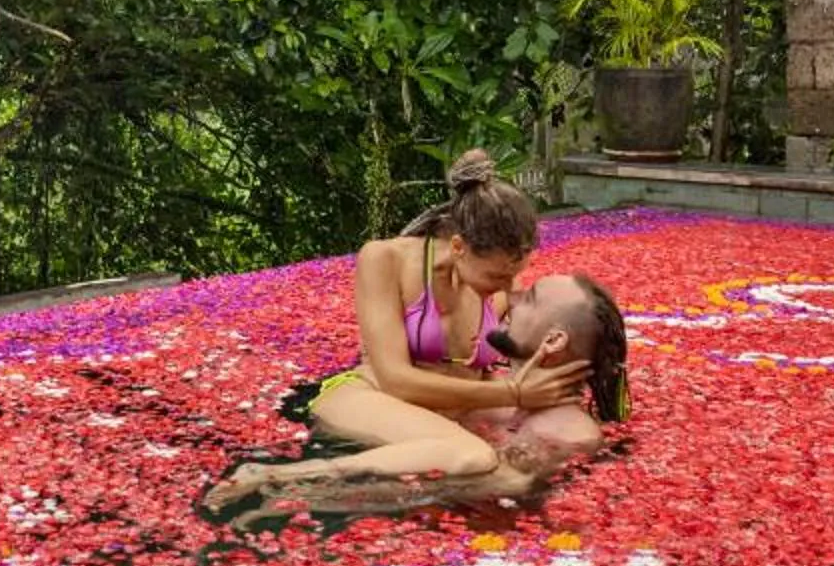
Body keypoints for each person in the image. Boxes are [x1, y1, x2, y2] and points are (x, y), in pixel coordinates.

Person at [198, 151, 630, 520]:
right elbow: (395, 378)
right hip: (372, 397)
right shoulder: (385, 259)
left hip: (442, 417)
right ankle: (273, 475)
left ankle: (311, 500)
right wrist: (515, 394)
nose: (506, 294)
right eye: (497, 276)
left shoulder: (493, 290)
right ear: (459, 248)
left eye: (514, 277)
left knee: (509, 477)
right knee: (476, 458)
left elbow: (533, 346)